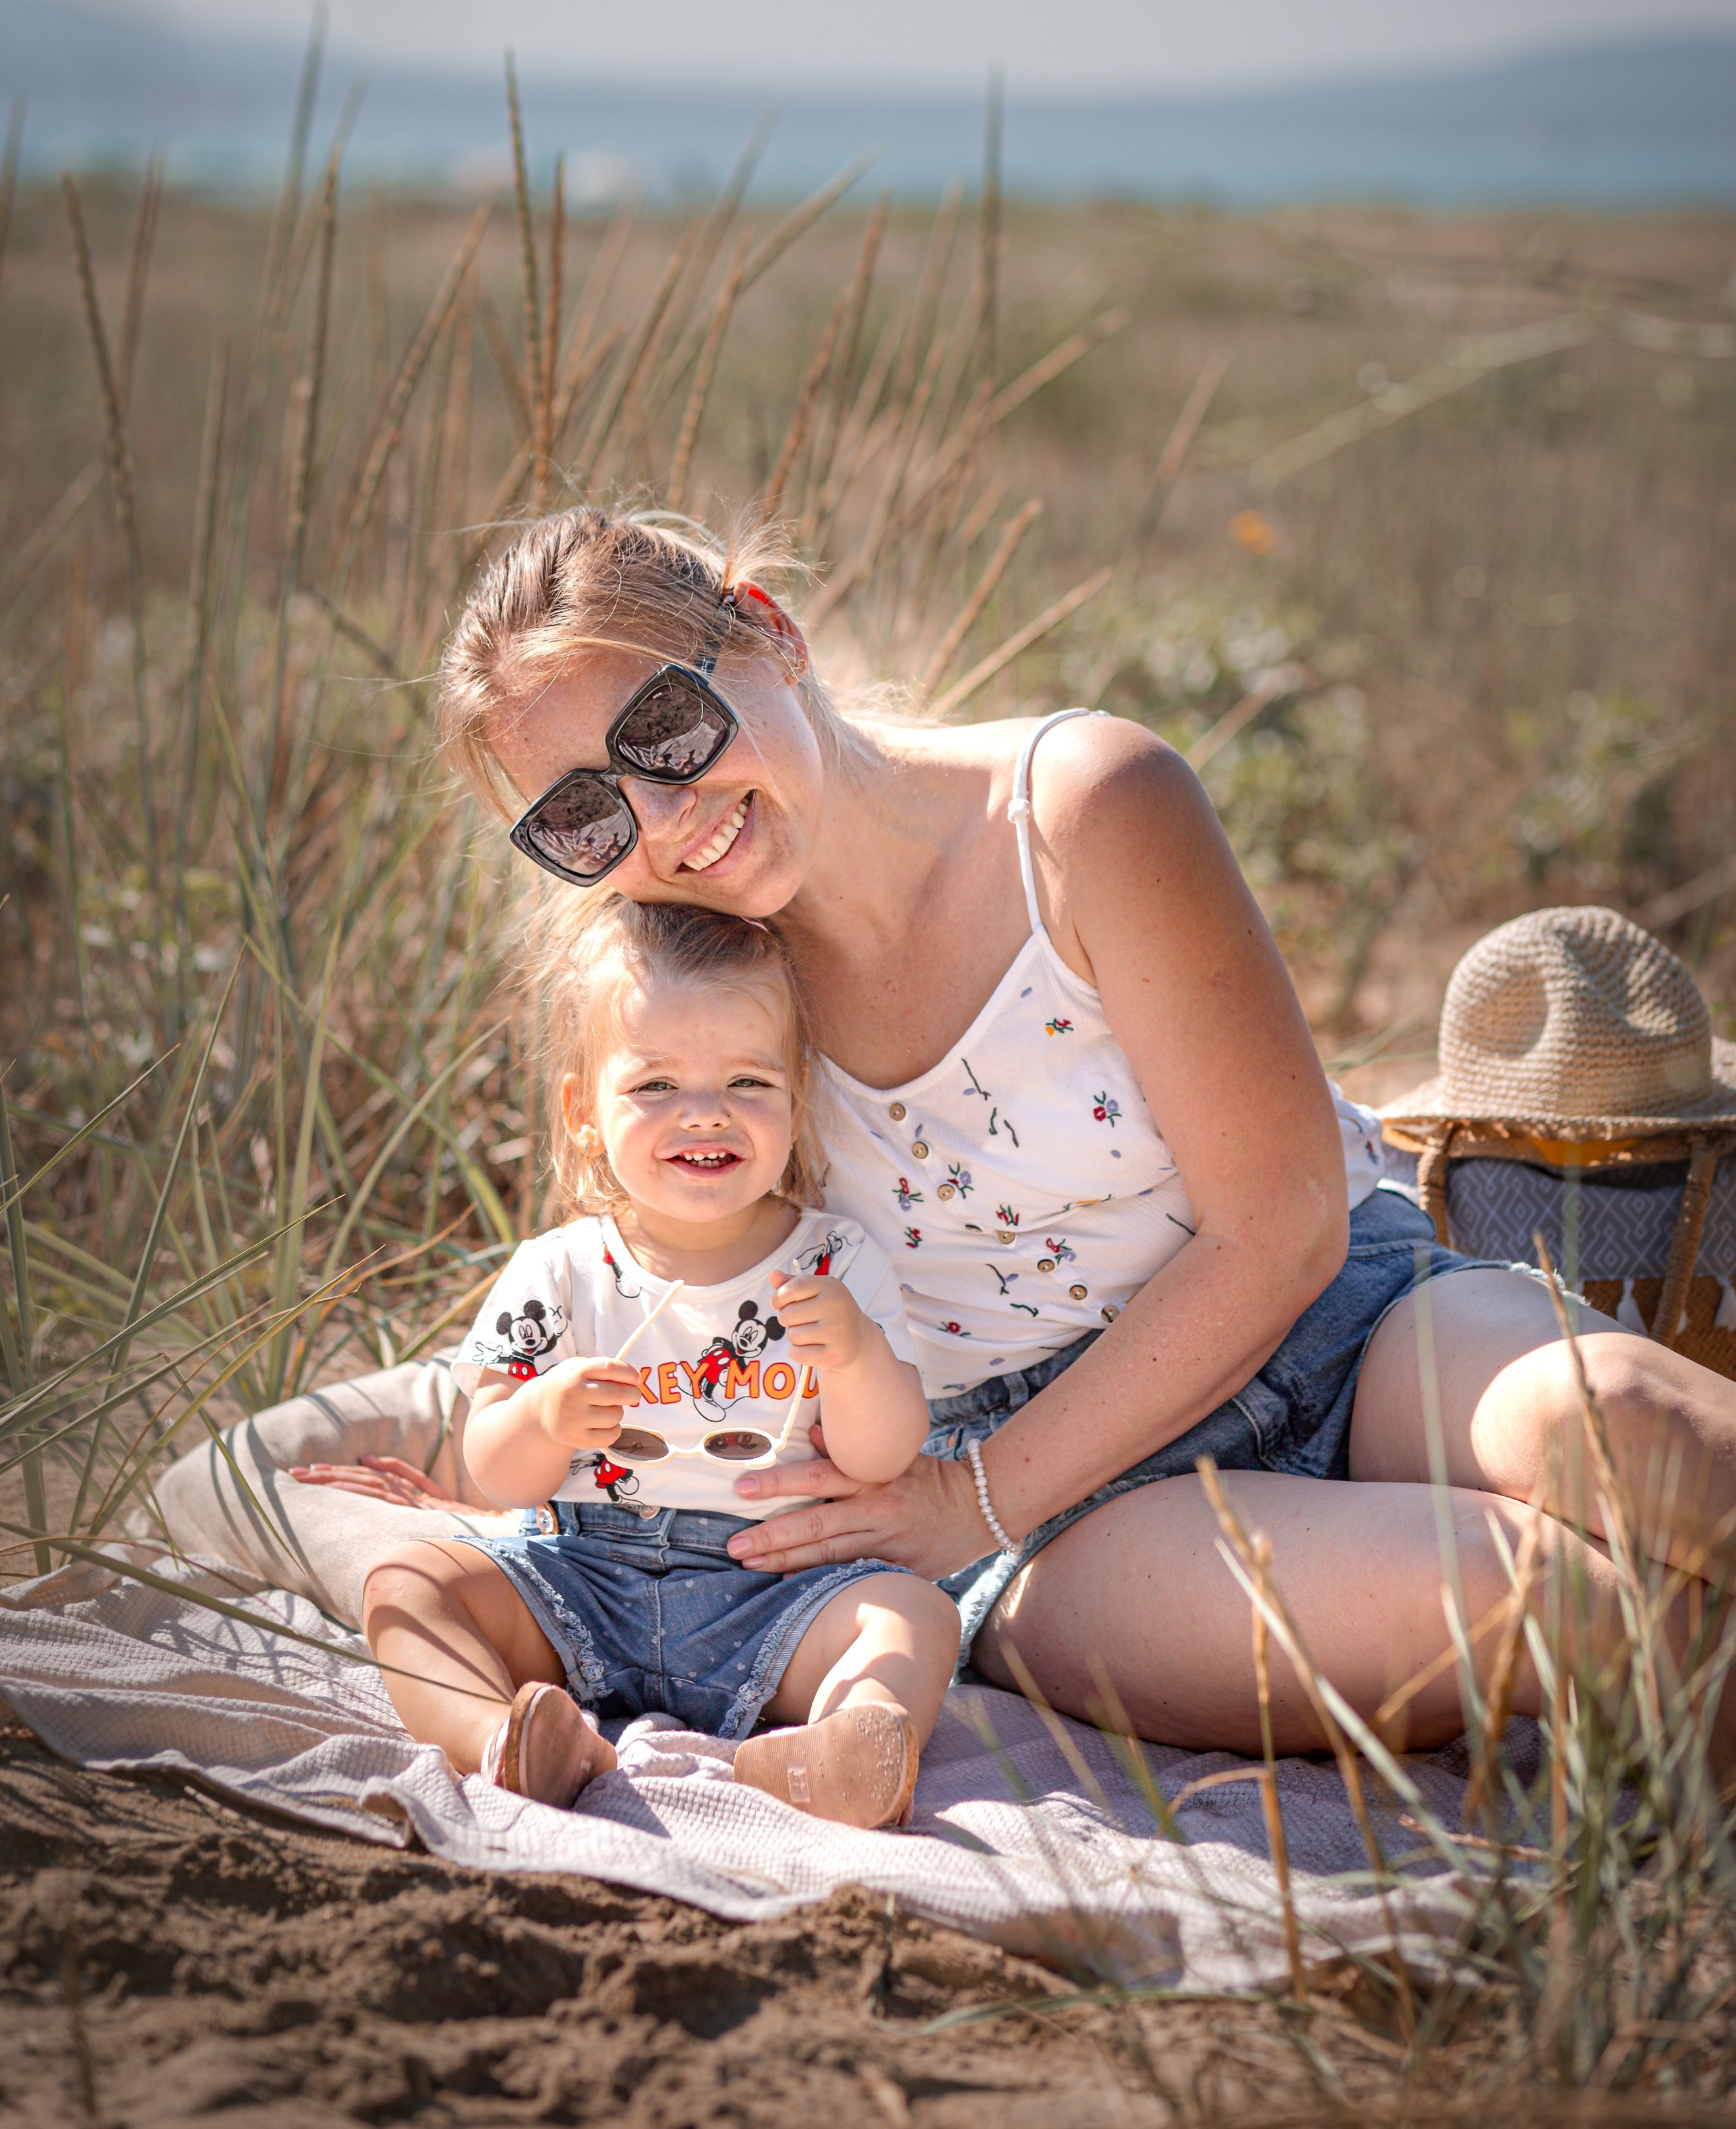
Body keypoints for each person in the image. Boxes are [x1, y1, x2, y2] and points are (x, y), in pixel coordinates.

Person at [300, 505, 1736, 1772]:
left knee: (1634, 1432)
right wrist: (421, 1443)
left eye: (663, 730)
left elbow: (1285, 1215)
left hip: (1343, 1324)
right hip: (1057, 1502)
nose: (664, 821)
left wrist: (966, 1497)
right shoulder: (703, 1015)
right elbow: (627, 1293)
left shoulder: (1079, 810)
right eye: (582, 815)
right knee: (1561, 1605)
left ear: (767, 632)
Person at [358, 898, 957, 1826]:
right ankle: (512, 1742)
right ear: (584, 1111)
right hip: (582, 1576)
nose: (705, 1113)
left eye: (749, 1083)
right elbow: (491, 1467)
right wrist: (545, 1416)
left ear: (797, 1098)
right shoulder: (558, 1269)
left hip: (772, 1592)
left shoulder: (833, 1261)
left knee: (914, 1615)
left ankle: (837, 1748)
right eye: (656, 1086)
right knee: (406, 1587)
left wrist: (856, 1355)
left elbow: (884, 1455)